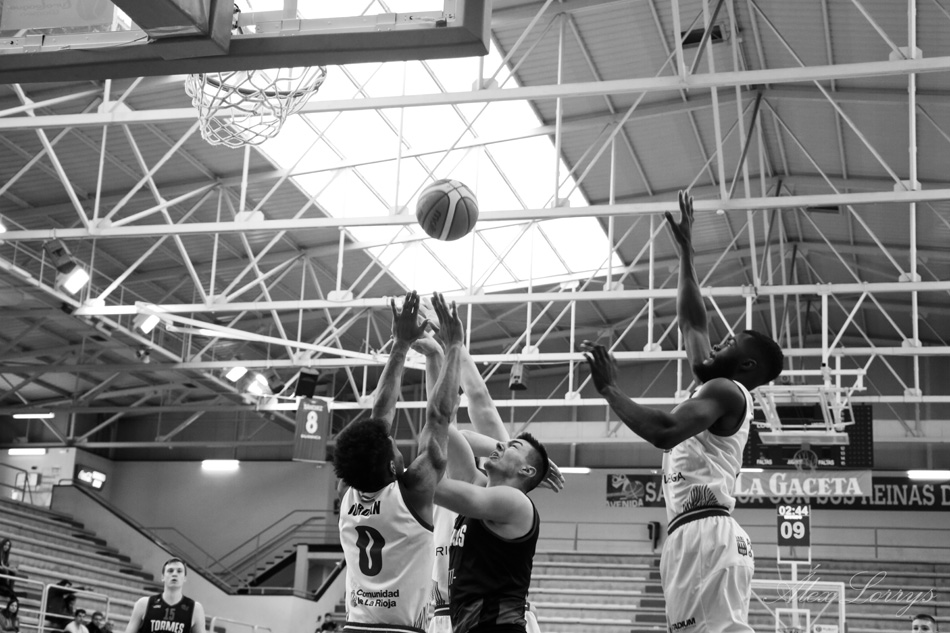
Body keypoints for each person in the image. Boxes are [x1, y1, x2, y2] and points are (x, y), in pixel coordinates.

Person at [583, 191, 784, 633]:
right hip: (691, 533)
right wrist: (686, 252)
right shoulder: (713, 388)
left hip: (706, 533)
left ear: (746, 366)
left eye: (727, 344)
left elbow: (666, 430)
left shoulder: (726, 392)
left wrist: (611, 391)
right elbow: (693, 323)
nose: (716, 343)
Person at [334, 291, 464, 633]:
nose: (393, 439)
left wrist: (401, 345)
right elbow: (439, 417)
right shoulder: (413, 493)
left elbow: (379, 417)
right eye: (392, 445)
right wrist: (454, 347)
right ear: (393, 467)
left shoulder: (348, 492)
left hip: (355, 627)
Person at [435, 424, 550, 633]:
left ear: (526, 470)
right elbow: (454, 436)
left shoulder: (515, 502)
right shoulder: (482, 490)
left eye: (513, 446)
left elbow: (434, 488)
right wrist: (503, 447)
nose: (498, 446)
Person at [123, 558, 205, 633]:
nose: (174, 574)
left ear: (185, 578)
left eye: (179, 571)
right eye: (170, 571)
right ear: (162, 577)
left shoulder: (195, 608)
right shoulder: (144, 604)